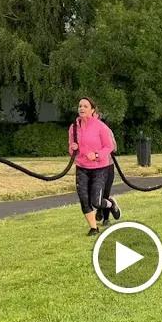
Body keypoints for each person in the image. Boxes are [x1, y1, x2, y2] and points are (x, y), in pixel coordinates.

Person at [68, 98, 121, 236]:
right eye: (80, 106)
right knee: (84, 199)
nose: (81, 108)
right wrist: (73, 148)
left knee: (96, 201)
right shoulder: (73, 128)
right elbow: (72, 150)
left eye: (85, 106)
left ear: (92, 110)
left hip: (99, 168)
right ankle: (93, 228)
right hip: (82, 167)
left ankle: (110, 204)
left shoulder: (100, 126)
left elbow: (109, 146)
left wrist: (97, 155)